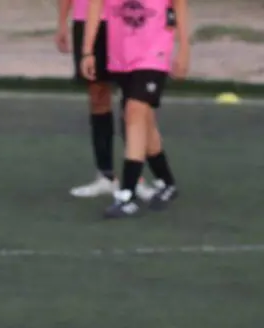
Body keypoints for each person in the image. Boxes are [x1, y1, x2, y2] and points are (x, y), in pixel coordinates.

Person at [83, 0, 190, 218]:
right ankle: (166, 182)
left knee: (134, 111)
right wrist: (87, 50)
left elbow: (179, 5)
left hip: (154, 53)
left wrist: (184, 48)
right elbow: (95, 5)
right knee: (143, 120)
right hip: (121, 55)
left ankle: (127, 194)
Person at [58, 0, 157, 201]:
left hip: (125, 18)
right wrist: (61, 22)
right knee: (97, 95)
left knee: (132, 99)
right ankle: (105, 174)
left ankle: (134, 178)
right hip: (85, 19)